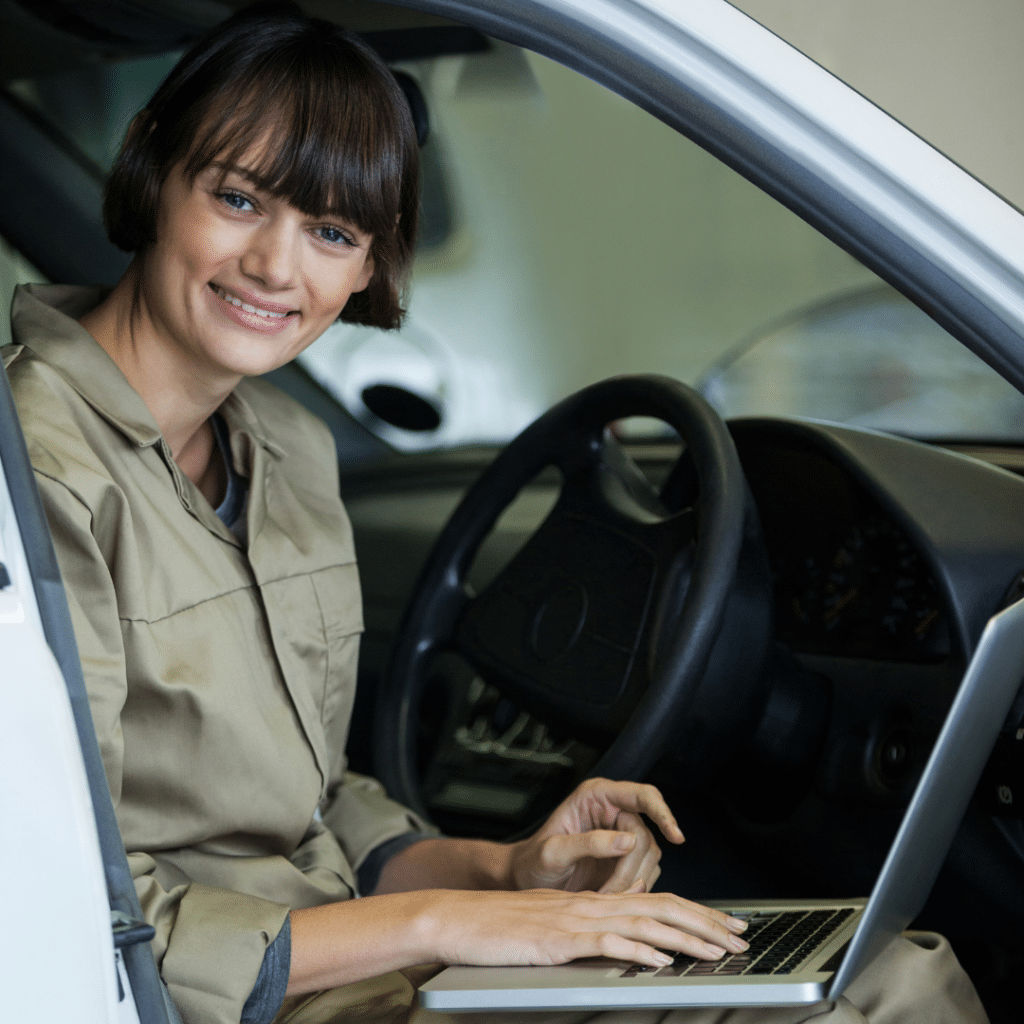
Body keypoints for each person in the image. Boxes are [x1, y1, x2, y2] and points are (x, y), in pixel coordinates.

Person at [2, 4, 988, 1024]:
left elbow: (316, 807)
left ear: (370, 261)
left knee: (877, 974)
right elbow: (72, 919)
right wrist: (451, 924)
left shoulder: (286, 450)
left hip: (372, 968)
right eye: (241, 199)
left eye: (332, 231)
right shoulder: (27, 477)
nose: (277, 269)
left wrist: (509, 870)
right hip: (227, 1003)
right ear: (149, 165)